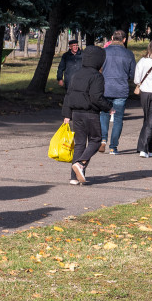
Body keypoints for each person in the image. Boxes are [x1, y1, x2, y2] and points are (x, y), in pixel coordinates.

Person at [61, 45, 112, 185]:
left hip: (76, 114)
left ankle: (73, 177)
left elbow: (69, 95)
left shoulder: (76, 74)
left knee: (80, 144)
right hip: (90, 113)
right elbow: (96, 97)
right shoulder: (97, 76)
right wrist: (109, 107)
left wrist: (67, 114)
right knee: (96, 140)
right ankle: (81, 164)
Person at [98, 30, 135, 154]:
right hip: (121, 89)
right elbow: (132, 74)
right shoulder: (129, 54)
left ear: (112, 37)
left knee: (104, 115)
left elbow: (99, 70)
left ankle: (103, 140)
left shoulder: (103, 52)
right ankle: (113, 147)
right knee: (118, 118)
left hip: (105, 88)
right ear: (124, 40)